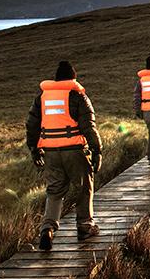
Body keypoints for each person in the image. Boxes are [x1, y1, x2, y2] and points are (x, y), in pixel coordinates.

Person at [26, 60, 103, 251]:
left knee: (54, 191)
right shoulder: (77, 96)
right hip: (74, 150)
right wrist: (97, 150)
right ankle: (85, 227)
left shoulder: (42, 98)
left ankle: (47, 229)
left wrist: (34, 149)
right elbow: (89, 126)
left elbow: (32, 125)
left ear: (56, 78)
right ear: (73, 78)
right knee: (84, 188)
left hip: (51, 152)